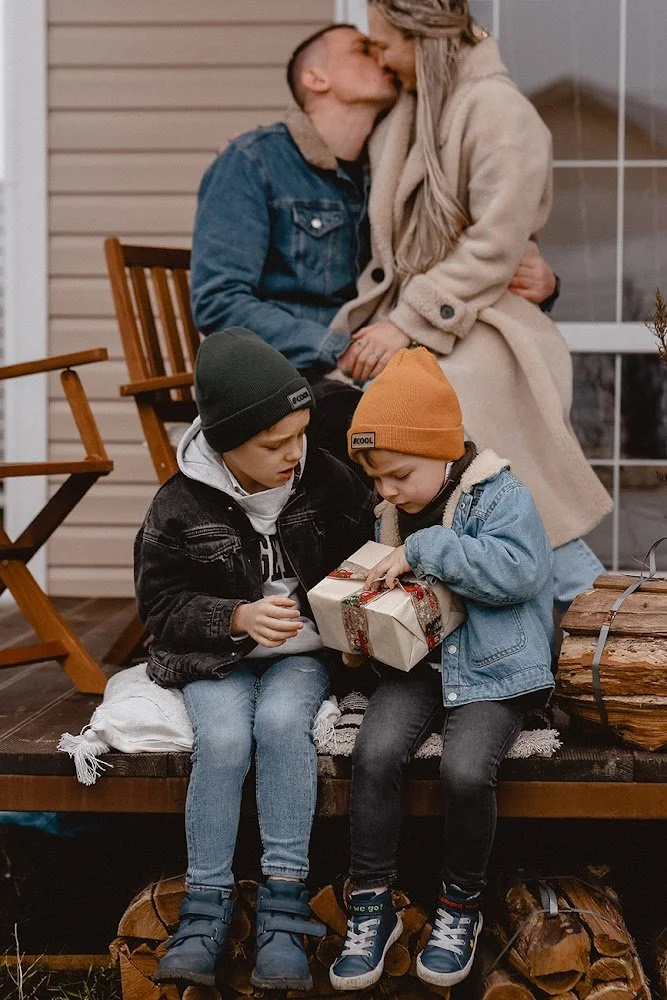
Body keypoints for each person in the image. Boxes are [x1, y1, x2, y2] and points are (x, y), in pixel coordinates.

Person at [330, 0, 611, 612]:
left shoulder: (497, 111)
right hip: (441, 312)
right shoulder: (416, 107)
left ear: (423, 38)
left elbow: (494, 243)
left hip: (489, 321)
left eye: (383, 43)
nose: (376, 55)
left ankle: (597, 609)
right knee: (348, 410)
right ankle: (386, 600)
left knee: (461, 406)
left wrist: (404, 322)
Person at [190, 22, 557, 472]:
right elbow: (219, 301)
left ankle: (499, 534)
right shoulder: (254, 162)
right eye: (364, 49)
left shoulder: (391, 173)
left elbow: (463, 246)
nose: (382, 57)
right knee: (394, 429)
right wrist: (336, 348)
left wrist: (542, 276)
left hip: (384, 361)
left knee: (485, 397)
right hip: (298, 376)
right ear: (316, 79)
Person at [134, 328, 376, 990]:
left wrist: (359, 628)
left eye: (300, 434)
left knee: (278, 726)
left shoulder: (326, 480)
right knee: (220, 736)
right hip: (214, 660)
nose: (294, 453)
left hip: (301, 656)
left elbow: (366, 560)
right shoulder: (178, 506)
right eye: (275, 444)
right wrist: (234, 618)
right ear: (224, 441)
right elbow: (158, 609)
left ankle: (283, 904)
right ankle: (204, 908)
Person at [329, 347, 555, 991]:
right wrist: (359, 635)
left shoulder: (500, 495)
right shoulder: (392, 509)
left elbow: (518, 572)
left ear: (446, 450)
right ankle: (371, 903)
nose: (386, 492)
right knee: (373, 754)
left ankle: (461, 905)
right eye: (376, 480)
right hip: (418, 667)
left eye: (398, 475)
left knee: (464, 768)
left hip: (496, 668)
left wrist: (426, 547)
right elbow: (398, 599)